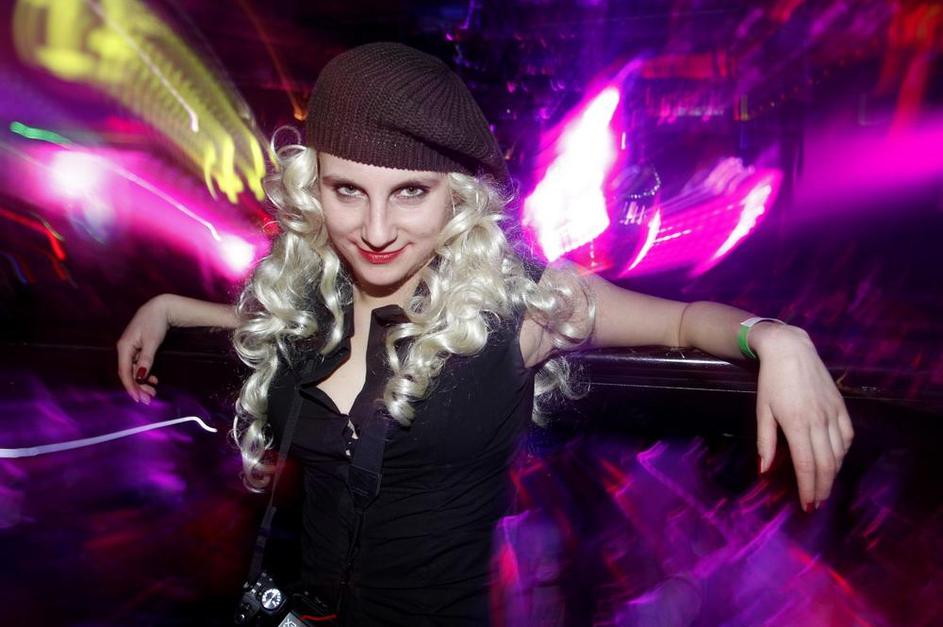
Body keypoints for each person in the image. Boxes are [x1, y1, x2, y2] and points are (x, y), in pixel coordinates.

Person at [116, 42, 853, 625]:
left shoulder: (519, 309)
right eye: (348, 191)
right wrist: (174, 307)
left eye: (411, 191)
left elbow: (685, 321)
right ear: (315, 191)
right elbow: (279, 332)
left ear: (458, 196)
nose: (376, 229)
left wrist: (774, 338)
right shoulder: (316, 301)